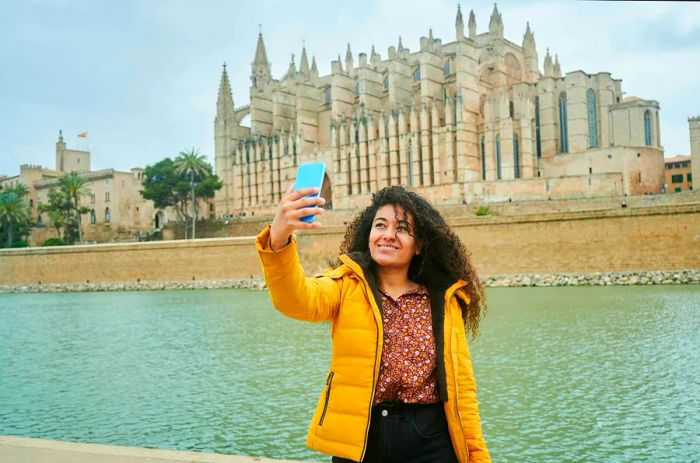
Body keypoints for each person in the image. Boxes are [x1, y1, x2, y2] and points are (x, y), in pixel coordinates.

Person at [255, 184, 491, 463]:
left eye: (402, 228)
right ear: (369, 235)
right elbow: (295, 300)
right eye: (380, 225)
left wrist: (477, 456)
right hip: (361, 439)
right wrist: (279, 238)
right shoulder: (344, 285)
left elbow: (462, 388)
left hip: (431, 439)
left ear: (420, 245)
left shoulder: (444, 299)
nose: (389, 235)